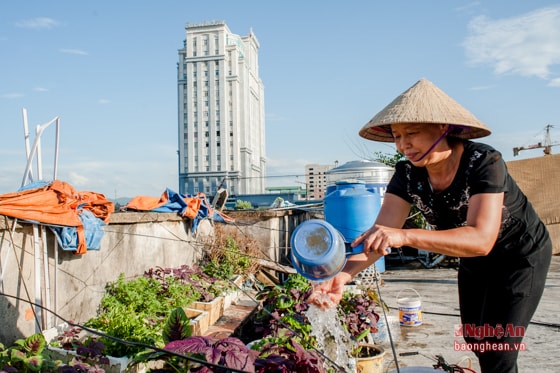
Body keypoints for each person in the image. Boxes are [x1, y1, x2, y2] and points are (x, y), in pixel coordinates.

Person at [309, 79, 552, 373]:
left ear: (443, 128)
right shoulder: (408, 174)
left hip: (519, 255)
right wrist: (342, 277)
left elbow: (481, 239)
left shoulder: (484, 161)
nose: (402, 145)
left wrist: (404, 235)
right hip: (474, 260)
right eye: (397, 136)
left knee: (498, 347)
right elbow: (380, 237)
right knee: (476, 339)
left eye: (411, 133)